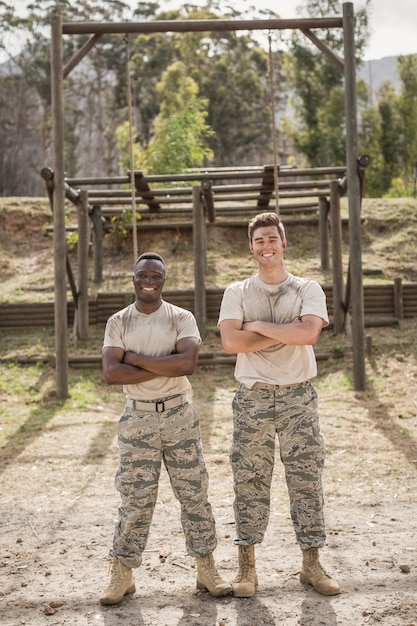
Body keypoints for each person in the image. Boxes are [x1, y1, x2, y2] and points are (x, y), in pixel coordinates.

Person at [217, 211, 340, 598]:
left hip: (297, 395)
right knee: (249, 480)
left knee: (305, 479)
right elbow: (231, 344)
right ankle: (246, 568)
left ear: (283, 242)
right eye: (259, 241)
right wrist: (287, 334)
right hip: (252, 396)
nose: (266, 246)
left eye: (272, 239)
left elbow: (309, 334)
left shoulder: (307, 288)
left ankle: (311, 564)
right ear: (250, 247)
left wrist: (256, 326)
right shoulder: (237, 292)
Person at [100, 252, 231, 605]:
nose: (149, 280)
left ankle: (207, 568)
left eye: (155, 275)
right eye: (143, 274)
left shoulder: (180, 317)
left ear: (163, 279)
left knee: (194, 494)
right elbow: (112, 373)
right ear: (133, 278)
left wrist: (137, 360)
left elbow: (187, 362)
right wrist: (165, 365)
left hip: (178, 416)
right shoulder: (119, 321)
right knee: (135, 498)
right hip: (137, 418)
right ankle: (122, 573)